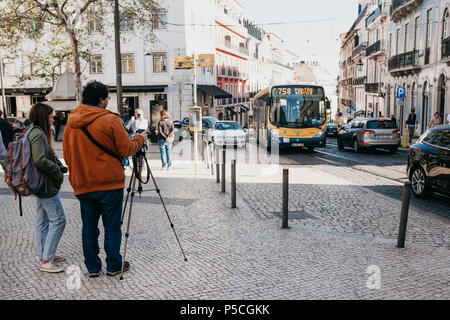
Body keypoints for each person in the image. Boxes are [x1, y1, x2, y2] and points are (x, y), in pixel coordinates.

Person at [63, 81, 146, 278]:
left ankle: (92, 267)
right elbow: (126, 149)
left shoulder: (71, 121)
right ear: (101, 100)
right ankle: (114, 265)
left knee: (89, 227)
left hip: (84, 183)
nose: (108, 102)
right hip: (109, 183)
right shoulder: (110, 120)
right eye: (107, 98)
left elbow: (67, 155)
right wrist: (141, 139)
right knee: (112, 226)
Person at [28, 103, 66, 273]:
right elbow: (39, 160)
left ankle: (44, 253)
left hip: (39, 183)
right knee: (59, 220)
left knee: (42, 221)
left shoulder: (35, 131)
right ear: (44, 117)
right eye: (51, 117)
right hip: (45, 185)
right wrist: (57, 170)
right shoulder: (37, 133)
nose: (53, 120)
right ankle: (46, 260)